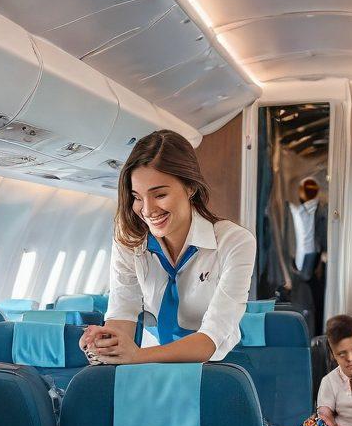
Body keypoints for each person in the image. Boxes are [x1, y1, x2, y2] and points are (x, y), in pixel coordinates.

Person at [80, 129, 256, 364]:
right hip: (149, 363)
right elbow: (123, 311)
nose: (147, 210)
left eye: (159, 194)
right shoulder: (130, 240)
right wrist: (104, 346)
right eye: (137, 197)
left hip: (216, 368)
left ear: (190, 187)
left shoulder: (234, 242)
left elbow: (211, 336)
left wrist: (138, 356)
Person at [284, 176, 328, 333]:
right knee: (306, 299)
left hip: (311, 258)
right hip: (305, 257)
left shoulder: (320, 210)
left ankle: (312, 332)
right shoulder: (296, 210)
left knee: (311, 299)